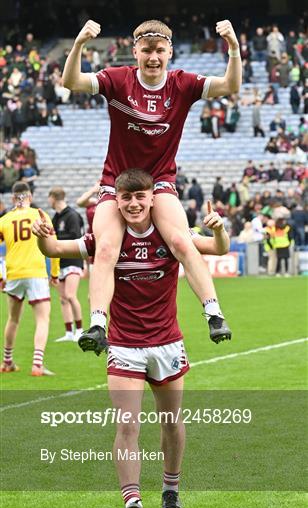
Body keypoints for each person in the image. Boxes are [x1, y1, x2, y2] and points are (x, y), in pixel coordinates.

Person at [33, 168, 230, 508]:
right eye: (127, 198)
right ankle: (132, 500)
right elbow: (56, 248)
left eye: (141, 196)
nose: (135, 204)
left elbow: (217, 248)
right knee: (127, 426)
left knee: (170, 422)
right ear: (117, 201)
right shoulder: (106, 239)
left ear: (153, 198)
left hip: (167, 342)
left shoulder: (172, 234)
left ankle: (171, 487)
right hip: (124, 346)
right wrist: (42, 237)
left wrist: (217, 227)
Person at [62, 18, 241, 354]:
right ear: (135, 51)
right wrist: (79, 44)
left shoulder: (183, 84)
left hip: (159, 183)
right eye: (147, 50)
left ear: (169, 51)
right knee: (105, 248)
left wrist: (232, 47)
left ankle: (213, 314)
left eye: (160, 50)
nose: (154, 56)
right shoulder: (118, 80)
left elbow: (230, 85)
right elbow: (69, 80)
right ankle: (98, 323)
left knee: (181, 240)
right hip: (117, 185)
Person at [0, 181, 58, 376]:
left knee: (13, 319)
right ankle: (37, 364)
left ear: (13, 198)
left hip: (14, 273)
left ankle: (7, 362)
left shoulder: (4, 220)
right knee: (42, 319)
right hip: (36, 272)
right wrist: (55, 273)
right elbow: (54, 245)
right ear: (30, 197)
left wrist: (1, 275)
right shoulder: (39, 215)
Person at [48, 187, 84, 342]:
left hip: (73, 260)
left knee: (70, 295)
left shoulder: (72, 215)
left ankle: (80, 330)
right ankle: (69, 332)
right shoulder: (55, 217)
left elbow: (76, 236)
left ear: (53, 198)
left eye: (49, 198)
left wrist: (56, 241)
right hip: (60, 261)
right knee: (63, 298)